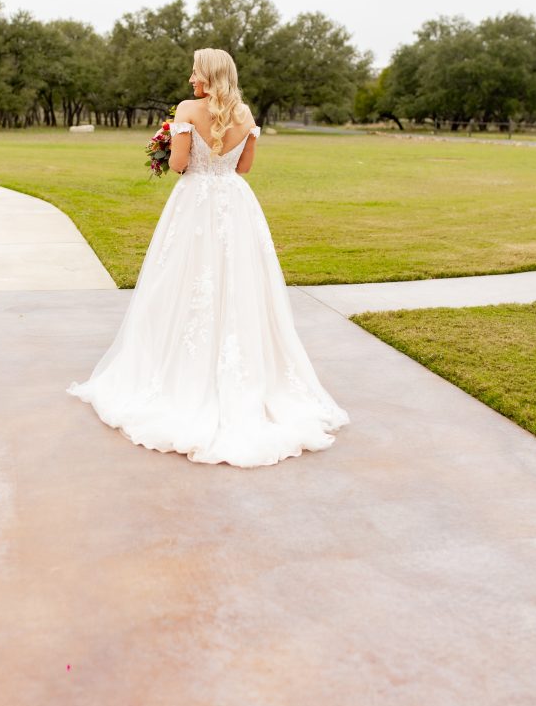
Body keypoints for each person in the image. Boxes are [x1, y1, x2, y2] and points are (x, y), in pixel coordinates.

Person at [66, 47, 350, 467]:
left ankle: (179, 376)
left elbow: (180, 163)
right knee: (238, 283)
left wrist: (171, 147)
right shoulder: (247, 115)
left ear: (208, 76)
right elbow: (244, 169)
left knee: (182, 281)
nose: (189, 78)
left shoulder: (187, 109)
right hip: (235, 205)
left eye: (194, 71)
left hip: (196, 203)